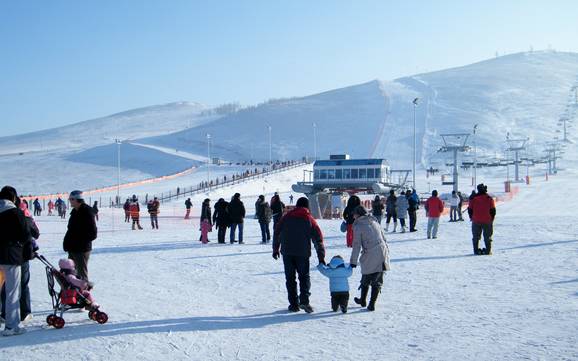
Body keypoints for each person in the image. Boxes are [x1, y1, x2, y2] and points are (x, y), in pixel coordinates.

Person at [272, 197, 325, 313]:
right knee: (304, 277)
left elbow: (277, 232)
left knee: (290, 278)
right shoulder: (309, 218)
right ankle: (304, 301)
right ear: (307, 206)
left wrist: (275, 249)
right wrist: (321, 257)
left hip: (287, 252)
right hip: (303, 253)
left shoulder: (286, 217)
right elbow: (318, 238)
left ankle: (294, 304)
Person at [1, 197, 39, 324]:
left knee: (7, 286)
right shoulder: (21, 215)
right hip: (17, 256)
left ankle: (7, 314)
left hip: (9, 255)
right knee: (19, 286)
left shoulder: (6, 213)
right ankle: (21, 315)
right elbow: (33, 234)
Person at [0, 186, 31, 336]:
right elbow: (26, 235)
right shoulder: (16, 213)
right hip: (11, 256)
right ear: (13, 198)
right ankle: (11, 326)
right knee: (12, 291)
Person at [349, 206, 390, 311]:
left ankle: (364, 300)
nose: (353, 216)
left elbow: (357, 245)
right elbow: (384, 238)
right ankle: (371, 303)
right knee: (377, 278)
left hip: (370, 252)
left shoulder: (359, 226)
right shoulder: (374, 221)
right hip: (382, 252)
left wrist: (353, 261)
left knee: (366, 275)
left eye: (354, 214)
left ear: (358, 214)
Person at [63, 190, 97, 281]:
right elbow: (71, 230)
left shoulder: (87, 212)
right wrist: (67, 243)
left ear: (77, 199)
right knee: (71, 274)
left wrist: (79, 242)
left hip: (81, 250)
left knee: (81, 276)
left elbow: (93, 233)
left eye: (71, 199)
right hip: (73, 249)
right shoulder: (74, 211)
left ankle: (84, 294)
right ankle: (74, 294)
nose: (69, 201)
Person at [468, 184, 496, 255]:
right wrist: (491, 218)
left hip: (476, 220)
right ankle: (488, 250)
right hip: (487, 220)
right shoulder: (489, 198)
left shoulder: (474, 198)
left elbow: (470, 209)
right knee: (487, 236)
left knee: (475, 237)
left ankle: (476, 250)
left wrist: (471, 217)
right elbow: (493, 210)